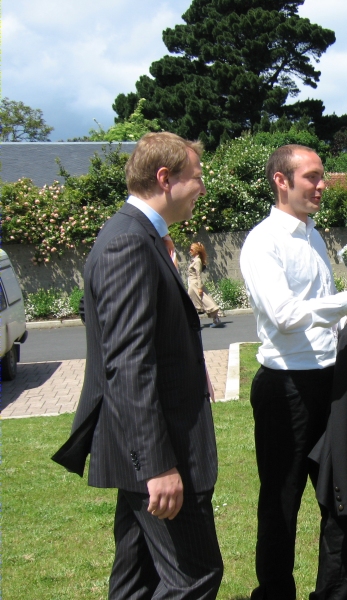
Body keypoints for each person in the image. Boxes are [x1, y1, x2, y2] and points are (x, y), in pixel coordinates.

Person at [51, 132, 223, 599]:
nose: (202, 188)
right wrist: (159, 467)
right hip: (156, 452)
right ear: (164, 178)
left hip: (143, 450)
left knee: (137, 578)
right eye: (196, 178)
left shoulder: (139, 235)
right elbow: (129, 365)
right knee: (195, 576)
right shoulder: (127, 242)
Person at [239, 144, 347, 600]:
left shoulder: (314, 236)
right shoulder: (262, 242)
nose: (323, 184)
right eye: (312, 176)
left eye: (322, 176)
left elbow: (319, 311)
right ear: (281, 181)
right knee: (281, 505)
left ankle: (335, 594)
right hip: (285, 389)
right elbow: (286, 316)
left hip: (333, 383)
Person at [187, 241, 223, 327]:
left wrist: (199, 287)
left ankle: (216, 318)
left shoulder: (197, 261)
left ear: (196, 250)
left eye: (191, 249)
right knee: (195, 302)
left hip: (195, 284)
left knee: (205, 301)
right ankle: (195, 321)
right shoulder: (194, 260)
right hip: (192, 284)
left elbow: (198, 275)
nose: (190, 251)